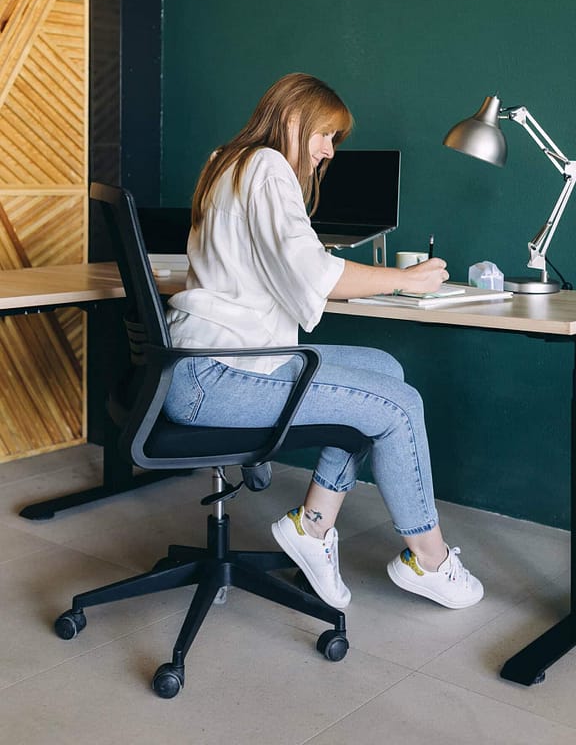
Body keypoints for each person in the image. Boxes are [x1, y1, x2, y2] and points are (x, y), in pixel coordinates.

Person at [164, 72, 484, 611]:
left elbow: (287, 275)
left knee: (382, 368)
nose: (330, 151)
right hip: (217, 377)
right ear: (293, 119)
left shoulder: (227, 160)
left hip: (210, 363)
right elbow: (317, 276)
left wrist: (364, 280)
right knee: (400, 406)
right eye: (325, 135)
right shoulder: (266, 167)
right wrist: (408, 279)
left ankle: (312, 528)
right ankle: (429, 560)